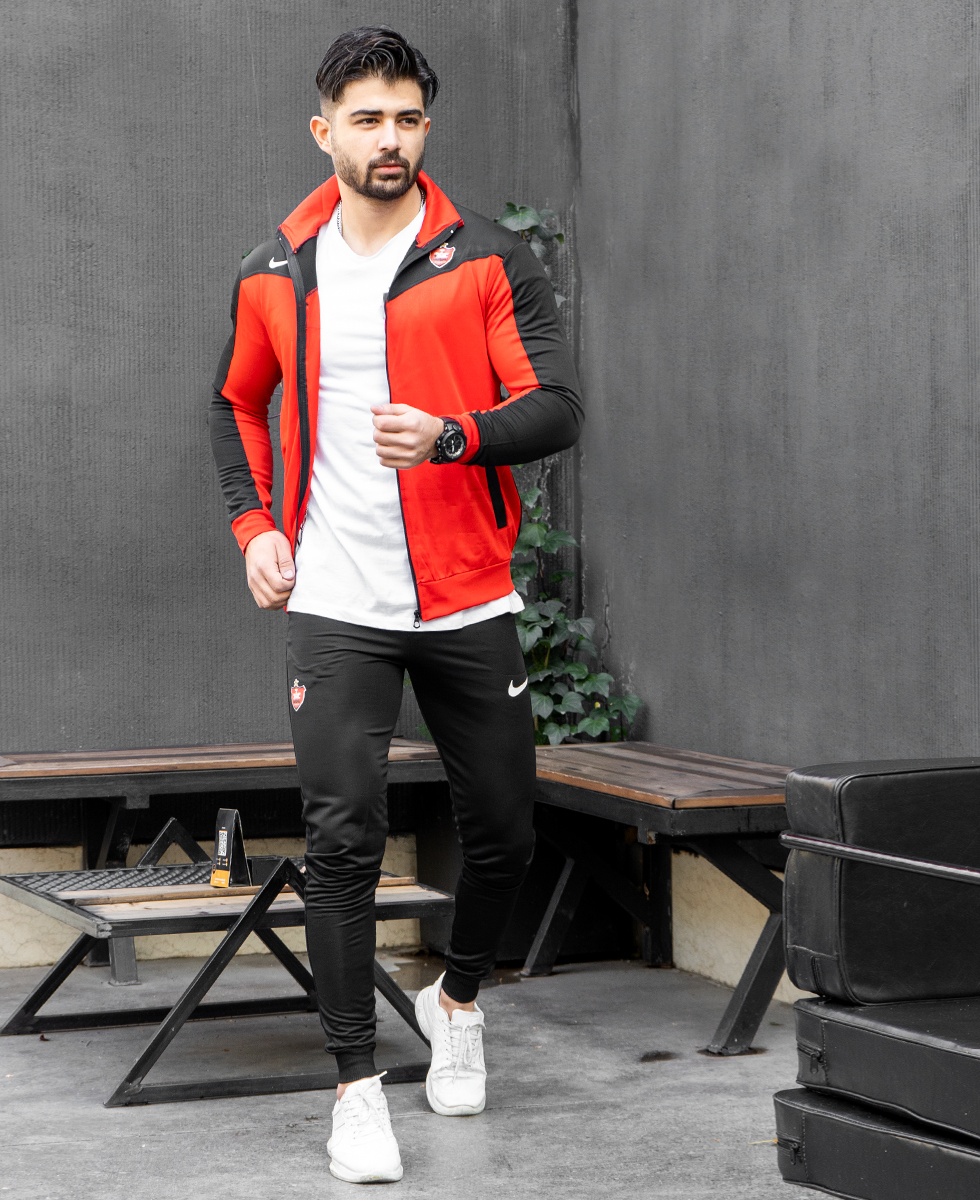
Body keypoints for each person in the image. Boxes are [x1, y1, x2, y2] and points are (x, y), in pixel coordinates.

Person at [209, 25, 583, 1183]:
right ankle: (355, 1089)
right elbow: (235, 403)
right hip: (336, 596)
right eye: (367, 118)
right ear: (323, 131)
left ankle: (457, 1000)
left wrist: (452, 435)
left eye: (408, 118)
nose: (390, 138)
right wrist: (257, 528)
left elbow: (556, 406)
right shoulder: (276, 271)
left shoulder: (485, 260)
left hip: (466, 595)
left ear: (428, 127)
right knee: (342, 838)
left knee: (506, 831)